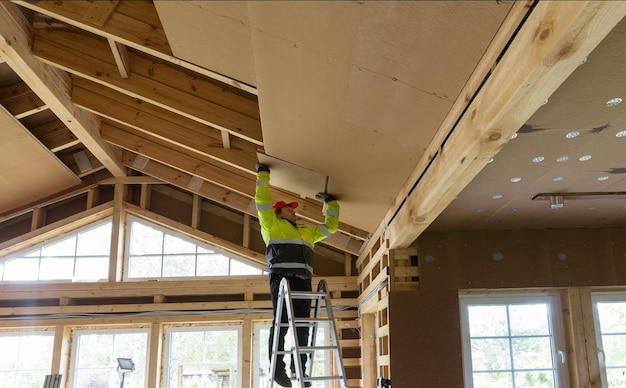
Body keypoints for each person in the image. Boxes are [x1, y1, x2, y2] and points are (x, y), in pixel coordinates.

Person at [255, 162, 339, 387]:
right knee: (281, 323)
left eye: (292, 208)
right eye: (289, 208)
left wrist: (331, 204)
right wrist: (262, 174)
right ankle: (277, 368)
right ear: (278, 212)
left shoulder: (307, 232)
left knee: (302, 325)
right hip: (282, 279)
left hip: (303, 281)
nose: (294, 210)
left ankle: (300, 368)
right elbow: (262, 202)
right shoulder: (271, 225)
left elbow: (330, 228)